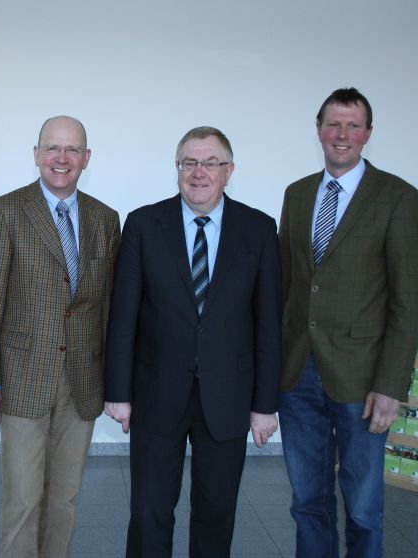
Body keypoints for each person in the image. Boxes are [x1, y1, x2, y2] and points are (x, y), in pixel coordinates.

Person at [105, 126, 282, 557]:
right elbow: (123, 315)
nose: (199, 173)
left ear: (229, 171)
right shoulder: (145, 224)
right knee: (149, 514)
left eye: (210, 163)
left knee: (215, 514)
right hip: (156, 393)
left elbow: (268, 323)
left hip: (228, 397)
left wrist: (265, 404)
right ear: (177, 169)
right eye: (189, 163)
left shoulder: (258, 229)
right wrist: (118, 393)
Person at [278, 88, 418, 557]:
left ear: (368, 134)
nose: (342, 135)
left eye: (353, 126)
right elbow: (286, 287)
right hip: (298, 374)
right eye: (333, 124)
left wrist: (391, 384)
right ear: (318, 129)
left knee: (363, 508)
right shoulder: (298, 194)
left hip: (363, 381)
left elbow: (407, 301)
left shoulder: (398, 196)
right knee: (307, 502)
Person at [0, 115, 120, 557]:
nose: (62, 158)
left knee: (65, 500)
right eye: (52, 148)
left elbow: (109, 306)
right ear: (36, 155)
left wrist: (116, 382)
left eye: (72, 150)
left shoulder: (105, 219)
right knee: (21, 501)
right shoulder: (6, 211)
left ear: (86, 158)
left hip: (82, 383)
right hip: (22, 379)